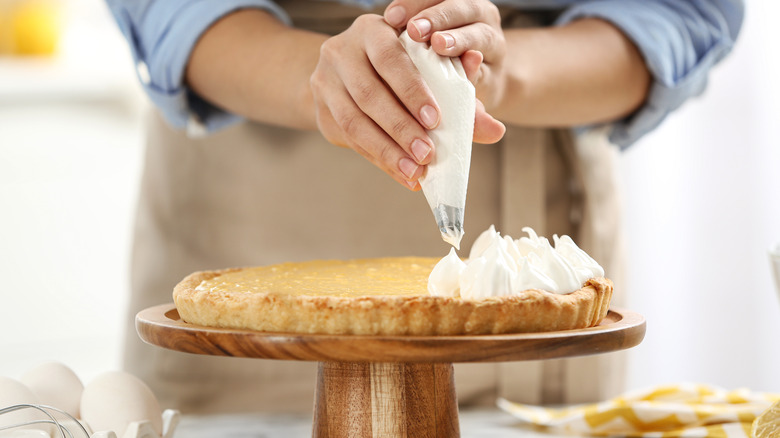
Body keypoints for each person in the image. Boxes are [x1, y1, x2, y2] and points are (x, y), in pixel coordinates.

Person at [106, 0, 743, 414]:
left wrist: (503, 72)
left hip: (542, 250)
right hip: (258, 231)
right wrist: (319, 83)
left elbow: (682, 9)